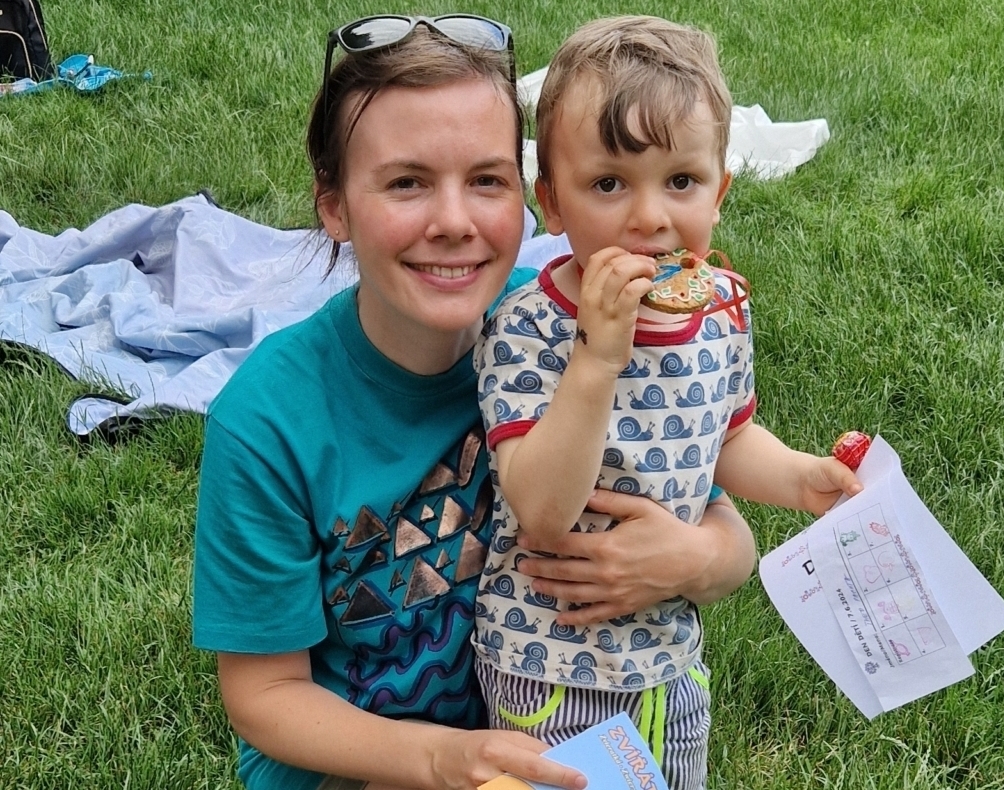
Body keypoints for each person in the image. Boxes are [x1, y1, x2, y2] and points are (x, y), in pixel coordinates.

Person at [192, 14, 759, 790]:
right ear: (334, 204)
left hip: (557, 724)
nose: (454, 223)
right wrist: (440, 757)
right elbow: (265, 697)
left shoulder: (569, 334)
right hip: (368, 764)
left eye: (487, 180)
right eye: (406, 182)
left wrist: (707, 559)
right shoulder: (268, 422)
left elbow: (704, 499)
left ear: (529, 198)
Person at [472, 16, 862, 790]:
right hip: (548, 664)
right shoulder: (528, 328)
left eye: (680, 181)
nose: (650, 216)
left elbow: (727, 437)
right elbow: (543, 510)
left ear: (719, 192)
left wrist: (799, 479)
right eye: (609, 183)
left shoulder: (720, 312)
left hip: (671, 659)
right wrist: (598, 357)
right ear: (553, 202)